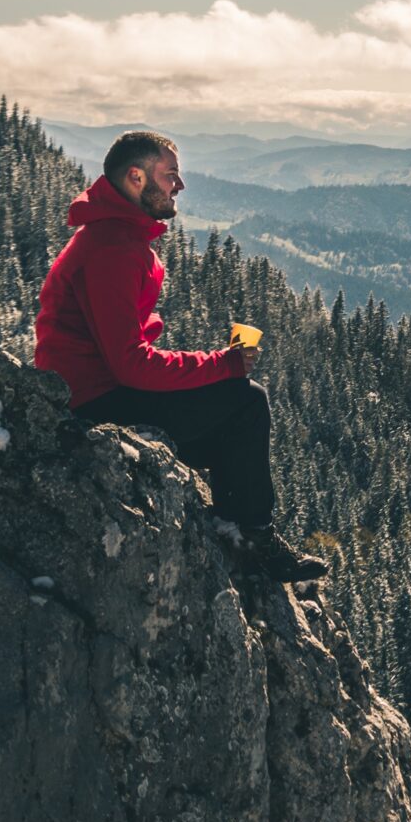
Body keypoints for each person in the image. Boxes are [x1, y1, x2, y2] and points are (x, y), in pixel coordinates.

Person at [34, 129, 326, 584]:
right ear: (136, 178)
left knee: (230, 416)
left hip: (94, 390)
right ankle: (252, 539)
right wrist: (223, 364)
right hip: (94, 402)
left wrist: (213, 369)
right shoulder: (113, 248)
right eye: (170, 175)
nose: (180, 186)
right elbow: (130, 363)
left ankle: (239, 532)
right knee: (245, 402)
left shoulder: (117, 236)